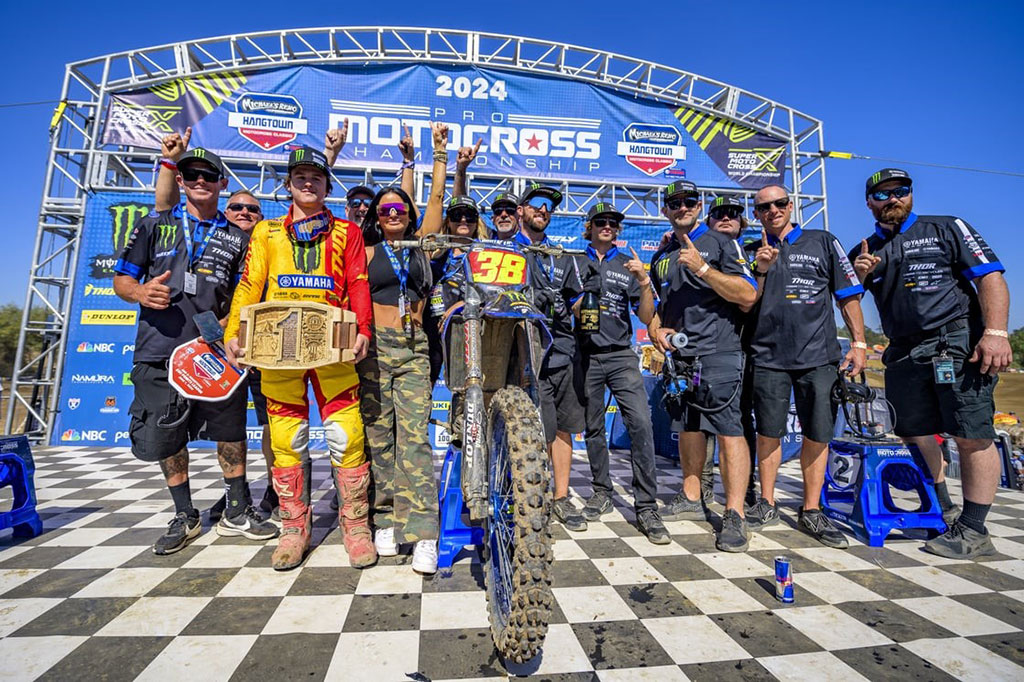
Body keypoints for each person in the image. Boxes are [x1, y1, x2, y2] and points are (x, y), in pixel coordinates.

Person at [114, 147, 278, 554]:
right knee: (166, 437)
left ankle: (237, 510)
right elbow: (122, 279)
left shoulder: (239, 238)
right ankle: (184, 514)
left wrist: (228, 325)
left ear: (222, 183)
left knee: (230, 432)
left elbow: (249, 292)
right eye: (192, 174)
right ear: (181, 180)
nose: (200, 181)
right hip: (160, 349)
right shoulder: (156, 225)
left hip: (218, 353)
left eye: (209, 175)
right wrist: (138, 291)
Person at [225, 146, 375, 570]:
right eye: (300, 177)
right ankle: (294, 529)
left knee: (346, 435)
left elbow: (358, 283)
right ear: (288, 183)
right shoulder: (267, 231)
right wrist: (234, 332)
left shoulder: (348, 231)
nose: (308, 183)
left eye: (317, 177)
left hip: (333, 346)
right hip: (278, 347)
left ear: (327, 186)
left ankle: (356, 527)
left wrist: (363, 329)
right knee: (287, 438)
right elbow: (251, 282)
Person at [853, 168, 1013, 558]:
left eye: (901, 191)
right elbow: (851, 300)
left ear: (910, 195)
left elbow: (989, 275)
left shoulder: (945, 227)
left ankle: (974, 529)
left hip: (953, 342)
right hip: (903, 349)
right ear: (869, 202)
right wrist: (861, 277)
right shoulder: (868, 249)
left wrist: (996, 332)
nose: (892, 199)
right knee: (912, 430)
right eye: (882, 194)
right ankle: (945, 507)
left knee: (970, 430)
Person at [153, 129, 280, 522]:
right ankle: (231, 498)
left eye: (253, 210)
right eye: (238, 208)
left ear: (261, 220)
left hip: (256, 351)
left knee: (267, 425)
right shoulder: (201, 235)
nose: (244, 213)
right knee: (214, 430)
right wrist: (170, 162)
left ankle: (275, 492)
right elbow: (166, 206)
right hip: (204, 352)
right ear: (226, 210)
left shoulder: (266, 244)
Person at [744, 184, 867, 549]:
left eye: (779, 203)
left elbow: (848, 297)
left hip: (818, 356)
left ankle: (811, 509)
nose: (773, 210)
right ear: (756, 214)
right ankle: (766, 502)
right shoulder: (751, 250)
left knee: (818, 432)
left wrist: (859, 343)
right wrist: (761, 270)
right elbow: (746, 303)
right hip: (767, 356)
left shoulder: (823, 240)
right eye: (764, 206)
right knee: (769, 431)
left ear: (791, 205)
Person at [648, 180, 758, 552]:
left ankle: (734, 515)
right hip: (681, 357)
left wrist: (704, 270)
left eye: (689, 201)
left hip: (719, 351)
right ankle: (692, 497)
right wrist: (656, 330)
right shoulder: (661, 254)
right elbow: (657, 311)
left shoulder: (720, 242)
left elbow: (748, 294)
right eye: (675, 202)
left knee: (729, 430)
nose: (682, 207)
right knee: (689, 427)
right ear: (665, 210)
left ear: (700, 205)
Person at [357, 121, 447, 574]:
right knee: (381, 439)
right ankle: (387, 520)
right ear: (377, 215)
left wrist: (437, 155)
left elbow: (430, 201)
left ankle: (425, 534)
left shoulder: (421, 247)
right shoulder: (367, 251)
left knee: (414, 441)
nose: (393, 213)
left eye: (399, 209)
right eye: (385, 209)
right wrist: (403, 168)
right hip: (374, 352)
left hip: (413, 350)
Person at [576, 202, 668, 543]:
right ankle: (601, 491)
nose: (608, 226)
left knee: (641, 423)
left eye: (614, 222)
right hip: (586, 357)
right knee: (593, 427)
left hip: (620, 355)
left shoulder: (626, 264)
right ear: (589, 226)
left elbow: (645, 316)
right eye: (601, 221)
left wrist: (644, 283)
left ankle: (646, 505)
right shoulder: (575, 260)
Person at [513, 182, 587, 531]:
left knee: (564, 430)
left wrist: (585, 299)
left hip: (562, 353)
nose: (543, 210)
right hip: (524, 355)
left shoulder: (562, 255)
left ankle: (560, 497)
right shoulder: (508, 250)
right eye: (536, 204)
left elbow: (575, 302)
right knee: (533, 430)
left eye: (549, 207)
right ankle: (531, 495)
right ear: (521, 211)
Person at [699, 197, 758, 507]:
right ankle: (703, 488)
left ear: (743, 222)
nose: (726, 218)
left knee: (740, 422)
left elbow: (749, 298)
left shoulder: (755, 251)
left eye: (733, 214)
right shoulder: (708, 249)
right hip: (720, 348)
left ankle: (745, 495)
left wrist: (761, 269)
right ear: (708, 221)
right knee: (704, 420)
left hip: (756, 347)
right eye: (718, 213)